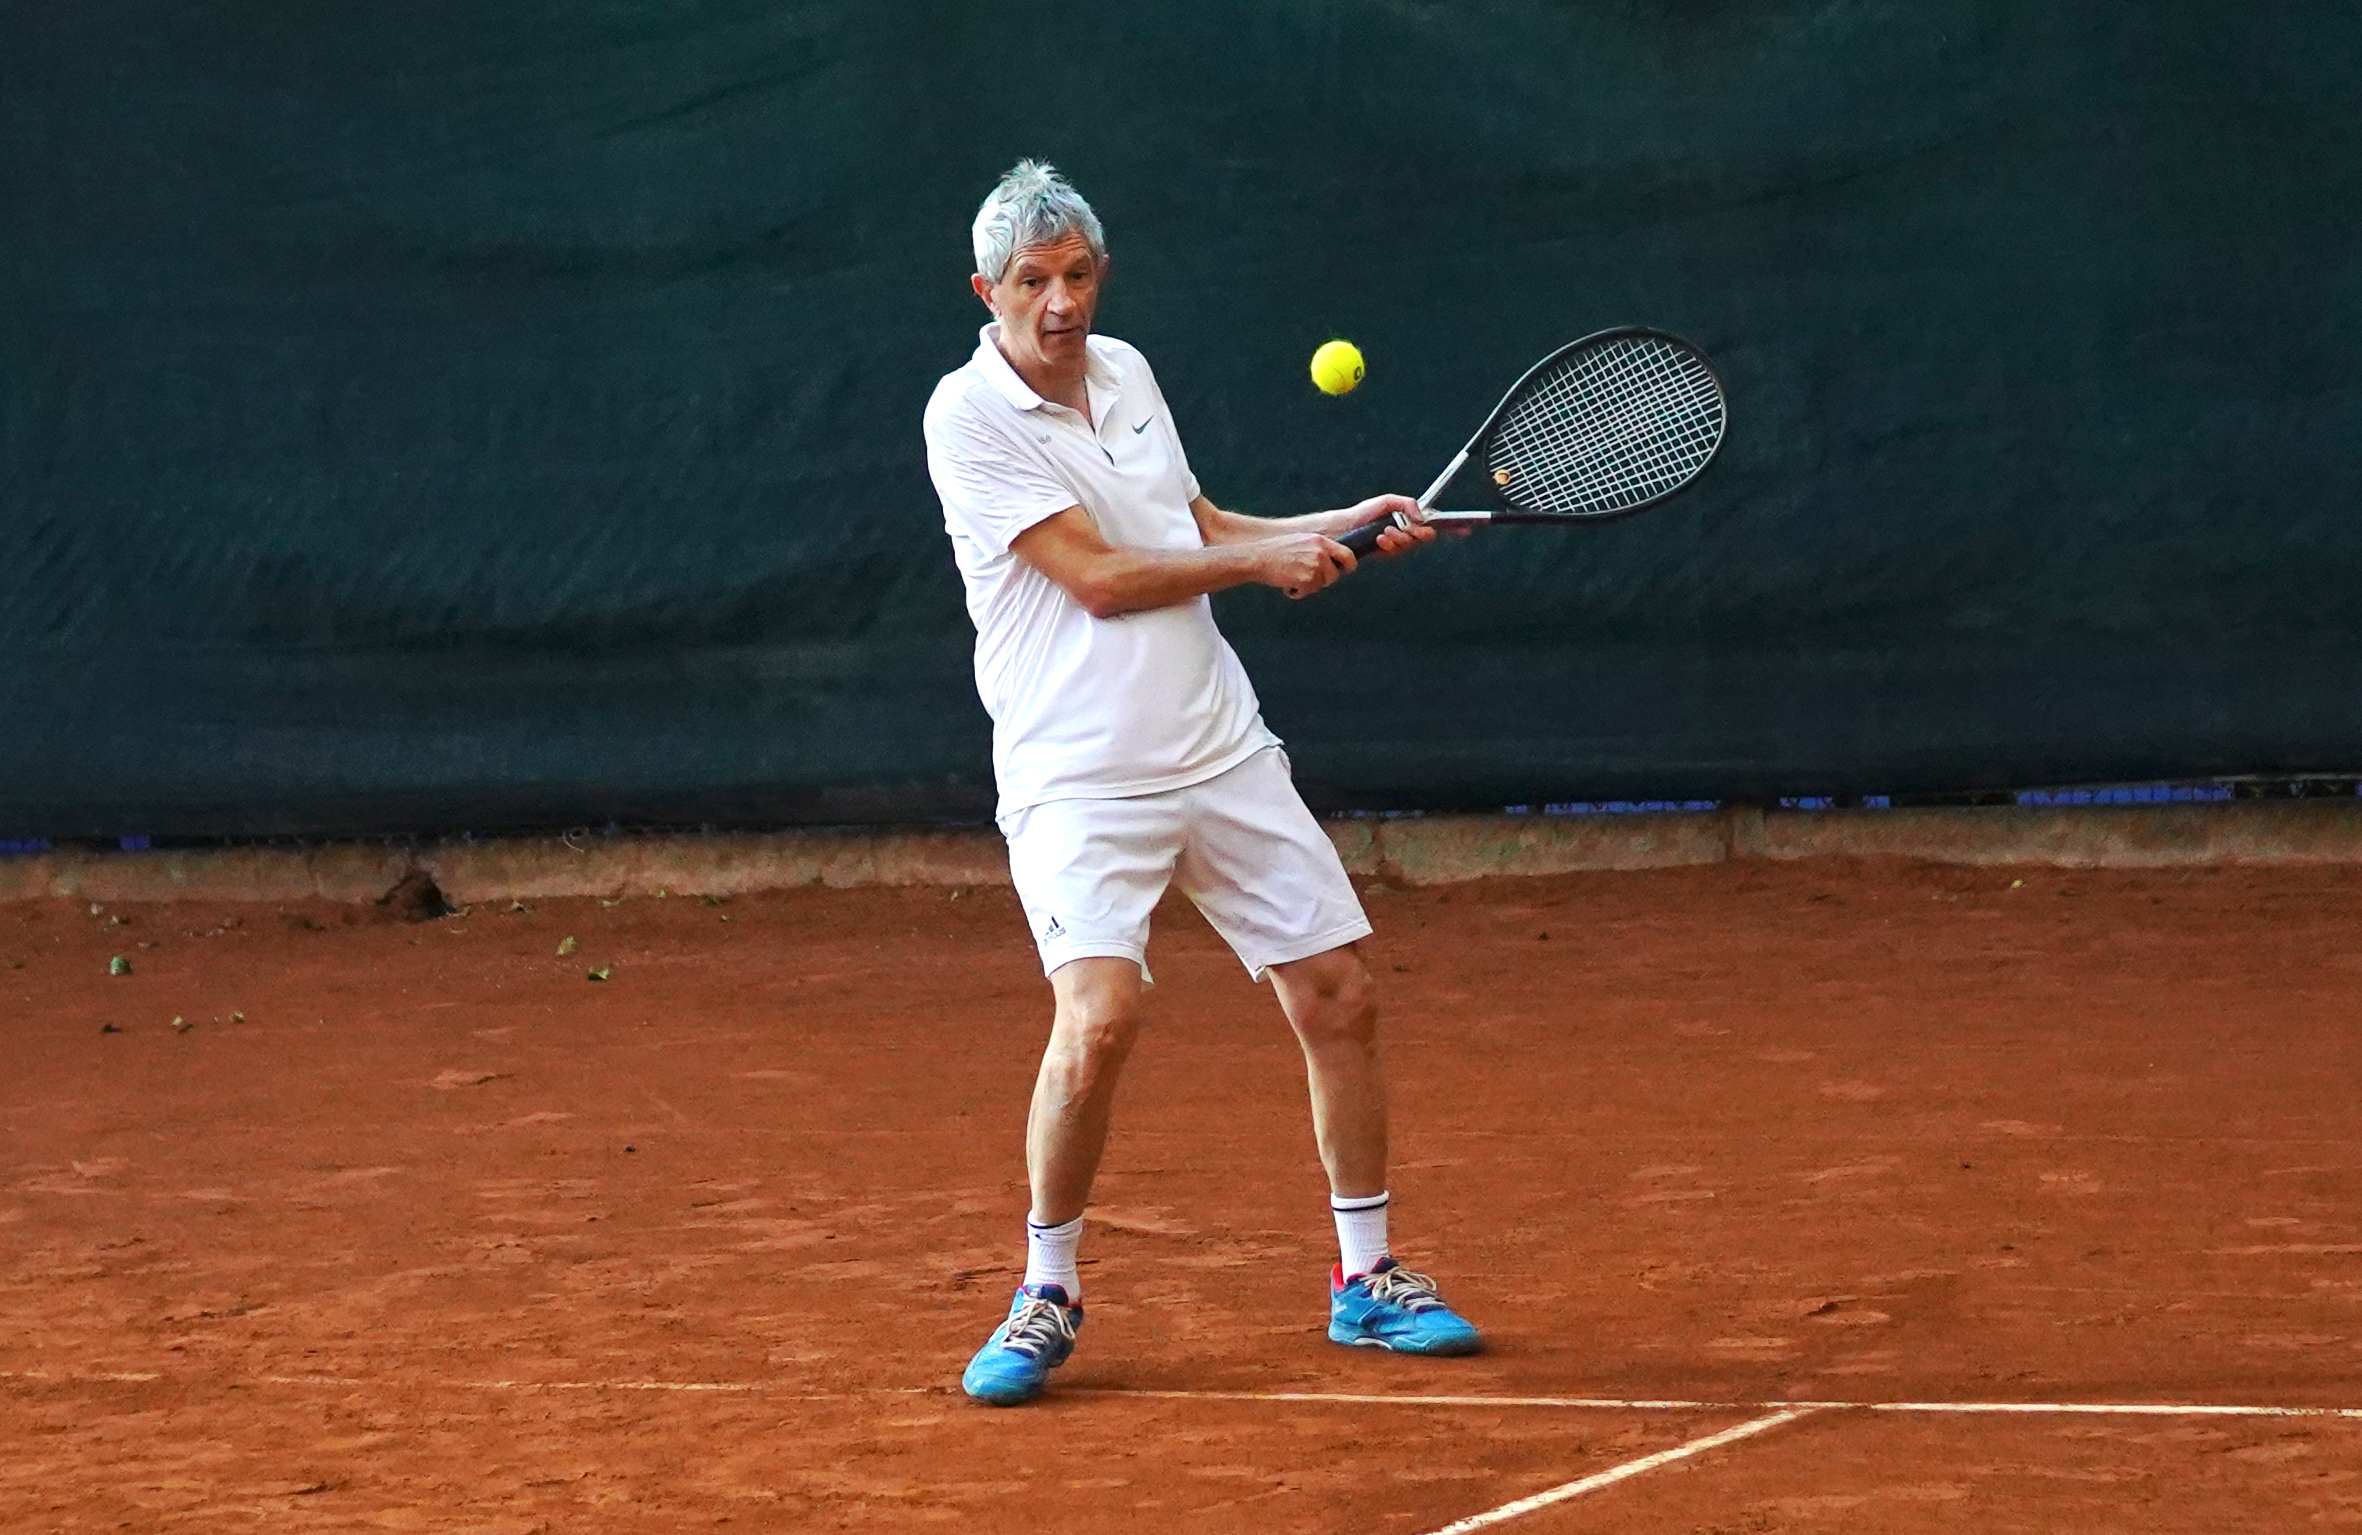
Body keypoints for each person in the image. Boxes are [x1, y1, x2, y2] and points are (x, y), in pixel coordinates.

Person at [923, 160, 1481, 1408]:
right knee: (1101, 1018)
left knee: (1338, 991)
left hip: (1217, 744)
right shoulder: (964, 416)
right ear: (986, 290)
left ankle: (1365, 1275)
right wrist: (1268, 567)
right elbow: (1106, 578)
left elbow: (1198, 523)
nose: (1059, 303)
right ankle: (1047, 1288)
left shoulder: (1124, 369)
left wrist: (1338, 520)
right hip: (1077, 773)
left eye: (1076, 275)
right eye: (1031, 282)